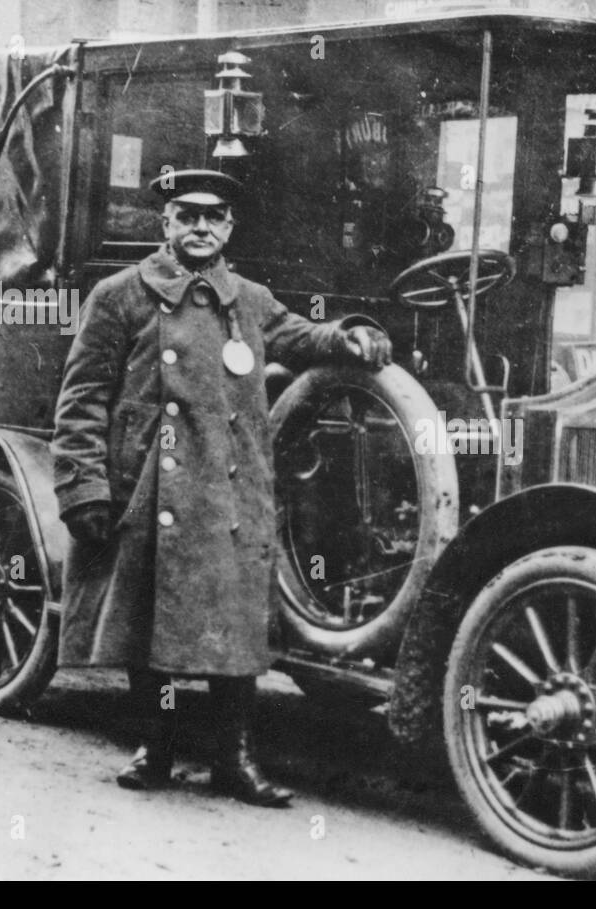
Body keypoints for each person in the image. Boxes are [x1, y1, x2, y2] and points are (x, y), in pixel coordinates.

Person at [51, 169, 391, 806]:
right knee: (148, 624)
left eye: (214, 217)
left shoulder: (251, 300)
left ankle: (234, 762)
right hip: (152, 484)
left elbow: (301, 334)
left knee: (236, 628)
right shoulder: (120, 295)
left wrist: (350, 336)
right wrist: (84, 488)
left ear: (230, 227)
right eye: (187, 216)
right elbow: (80, 401)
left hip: (232, 488)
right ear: (166, 224)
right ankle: (155, 747)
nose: (200, 228)